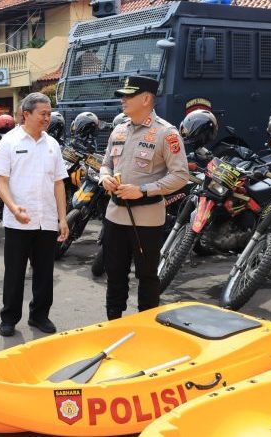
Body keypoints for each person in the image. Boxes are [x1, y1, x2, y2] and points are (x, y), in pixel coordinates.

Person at [99, 75, 189, 320]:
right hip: (115, 214)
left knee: (147, 276)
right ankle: (113, 323)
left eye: (129, 95)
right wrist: (104, 177)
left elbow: (181, 176)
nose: (123, 100)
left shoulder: (165, 133)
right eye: (123, 96)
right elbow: (105, 163)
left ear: (147, 98)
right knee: (114, 273)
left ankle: (147, 325)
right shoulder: (118, 130)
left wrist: (144, 190)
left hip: (147, 219)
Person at [0, 92, 70, 337]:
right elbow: (1, 182)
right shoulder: (10, 141)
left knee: (45, 273)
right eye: (43, 114)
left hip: (45, 219)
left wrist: (63, 218)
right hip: (18, 221)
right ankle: (9, 318)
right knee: (15, 272)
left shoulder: (52, 145)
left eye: (49, 114)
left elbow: (59, 183)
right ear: (27, 114)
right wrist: (14, 208)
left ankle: (39, 316)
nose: (47, 118)